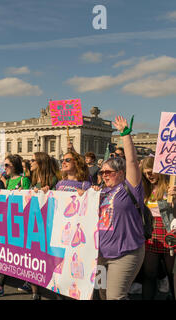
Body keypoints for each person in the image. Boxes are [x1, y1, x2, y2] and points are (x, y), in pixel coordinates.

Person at [93, 115, 146, 300]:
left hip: (125, 253)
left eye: (109, 172)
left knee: (116, 296)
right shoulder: (101, 192)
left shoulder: (130, 187)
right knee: (103, 294)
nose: (104, 175)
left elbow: (132, 162)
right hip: (100, 255)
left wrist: (125, 135)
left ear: (121, 173)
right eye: (102, 172)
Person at [0, 154, 33, 298]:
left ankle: (1, 286)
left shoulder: (24, 180)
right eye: (4, 165)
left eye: (7, 165)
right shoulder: (8, 180)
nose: (4, 168)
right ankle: (24, 281)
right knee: (9, 255)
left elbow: (28, 200)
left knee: (18, 254)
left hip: (20, 223)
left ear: (14, 166)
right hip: (9, 222)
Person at [140, 156, 175, 300]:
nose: (149, 176)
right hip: (151, 232)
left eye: (152, 172)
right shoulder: (144, 189)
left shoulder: (170, 186)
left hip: (169, 232)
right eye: (146, 173)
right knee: (149, 273)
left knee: (172, 274)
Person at [28, 151, 60, 299]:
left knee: (49, 259)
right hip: (34, 222)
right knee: (33, 256)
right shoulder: (33, 178)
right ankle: (35, 292)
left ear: (41, 162)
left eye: (33, 160)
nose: (30, 162)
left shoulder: (54, 179)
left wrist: (50, 192)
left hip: (48, 224)